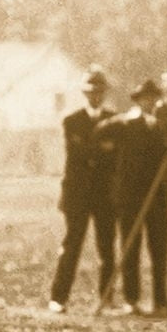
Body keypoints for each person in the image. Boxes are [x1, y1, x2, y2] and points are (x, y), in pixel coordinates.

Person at [95, 79, 167, 316]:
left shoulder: (162, 124)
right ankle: (132, 299)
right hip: (130, 198)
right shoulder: (125, 123)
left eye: (153, 98)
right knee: (130, 249)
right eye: (145, 98)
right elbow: (99, 133)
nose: (150, 102)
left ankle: (160, 300)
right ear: (138, 101)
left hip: (158, 198)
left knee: (159, 249)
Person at [48, 66, 117, 313]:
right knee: (71, 246)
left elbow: (111, 156)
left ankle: (106, 298)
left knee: (107, 247)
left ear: (105, 93)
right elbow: (79, 155)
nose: (95, 96)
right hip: (77, 196)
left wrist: (96, 152)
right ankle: (58, 297)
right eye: (90, 91)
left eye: (99, 91)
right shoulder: (72, 121)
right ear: (84, 93)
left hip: (105, 195)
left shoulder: (115, 120)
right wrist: (101, 150)